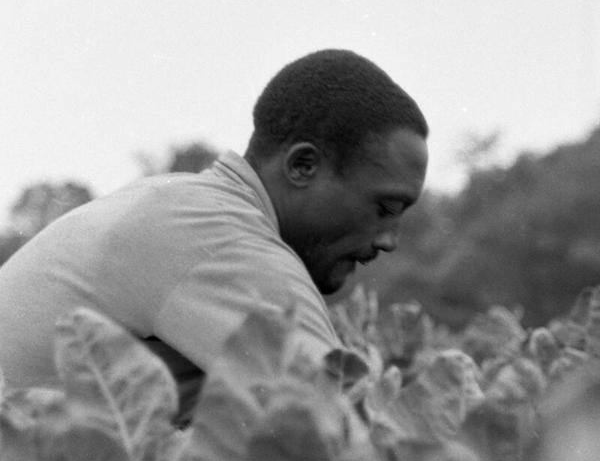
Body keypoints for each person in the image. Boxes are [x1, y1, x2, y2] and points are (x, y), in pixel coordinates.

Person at [0, 49, 428, 421]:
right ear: (302, 166)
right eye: (384, 208)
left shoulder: (180, 201)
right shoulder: (222, 239)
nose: (389, 240)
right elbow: (341, 431)